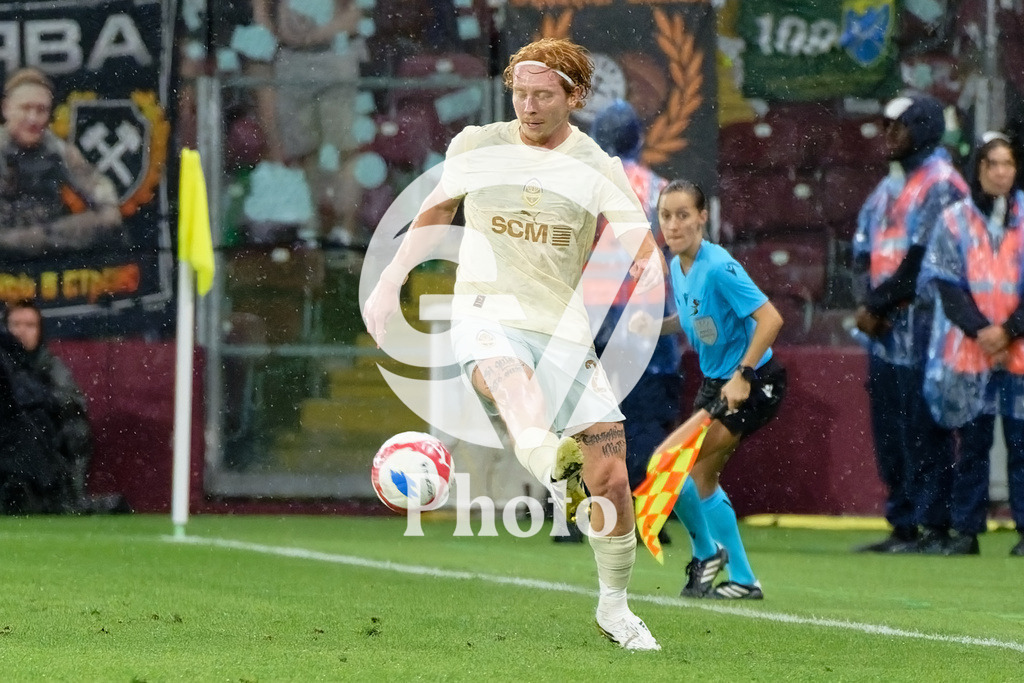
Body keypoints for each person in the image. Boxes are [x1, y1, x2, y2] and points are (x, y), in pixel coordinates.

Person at [362, 38, 666, 650]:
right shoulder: (476, 144)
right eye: (520, 93)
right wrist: (391, 279)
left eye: (542, 95)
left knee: (610, 480)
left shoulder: (598, 168)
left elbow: (638, 242)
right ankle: (552, 467)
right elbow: (435, 213)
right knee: (509, 382)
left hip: (562, 329)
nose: (527, 105)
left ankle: (614, 607)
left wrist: (648, 286)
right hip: (484, 312)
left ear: (574, 97)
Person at [630, 180, 786, 599]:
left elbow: (771, 319)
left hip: (752, 382)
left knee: (666, 462)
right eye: (666, 216)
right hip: (717, 383)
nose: (674, 224)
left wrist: (744, 375)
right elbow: (694, 317)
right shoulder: (679, 264)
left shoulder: (718, 265)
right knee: (701, 480)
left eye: (683, 215)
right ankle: (744, 580)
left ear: (703, 217)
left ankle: (706, 553)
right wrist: (656, 327)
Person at [852, 93, 970, 554]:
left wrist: (876, 307)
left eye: (897, 126)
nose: (888, 136)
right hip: (885, 331)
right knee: (891, 427)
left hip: (924, 325)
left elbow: (922, 258)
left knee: (925, 426)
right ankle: (902, 523)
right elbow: (861, 252)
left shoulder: (941, 183)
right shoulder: (888, 186)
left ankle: (933, 524)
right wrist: (870, 307)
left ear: (922, 127)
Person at [919, 132, 1024, 556]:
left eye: (1008, 164)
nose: (1001, 172)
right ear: (978, 169)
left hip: (1018, 352)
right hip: (972, 351)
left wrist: (1010, 330)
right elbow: (946, 283)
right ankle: (966, 530)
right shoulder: (955, 219)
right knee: (973, 445)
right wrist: (982, 329)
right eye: (992, 164)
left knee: (1021, 445)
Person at [584, 100, 681, 545]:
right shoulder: (660, 190)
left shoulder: (583, 187)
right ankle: (644, 514)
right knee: (642, 421)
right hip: (644, 318)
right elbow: (680, 256)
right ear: (638, 139)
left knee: (586, 419)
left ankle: (581, 514)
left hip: (591, 318)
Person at [0, 67, 122, 255]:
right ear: (6, 108)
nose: (33, 119)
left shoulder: (58, 149)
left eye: (41, 110)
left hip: (49, 240)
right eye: (25, 108)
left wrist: (106, 211)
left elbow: (100, 193)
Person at [5, 299, 94, 511]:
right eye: (15, 324)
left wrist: (38, 400)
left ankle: (69, 498)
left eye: (29, 325)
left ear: (40, 331)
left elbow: (71, 402)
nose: (21, 331)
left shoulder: (49, 365)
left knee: (76, 428)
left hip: (39, 444)